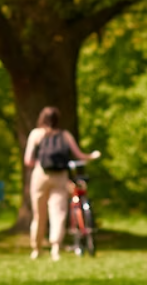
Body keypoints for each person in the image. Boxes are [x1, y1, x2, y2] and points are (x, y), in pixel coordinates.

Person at [24, 106, 101, 261]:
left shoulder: (36, 134)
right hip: (60, 176)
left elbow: (28, 160)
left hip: (40, 175)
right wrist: (92, 156)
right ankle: (55, 248)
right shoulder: (65, 135)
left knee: (39, 215)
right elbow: (79, 154)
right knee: (58, 213)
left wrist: (40, 162)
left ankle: (36, 248)